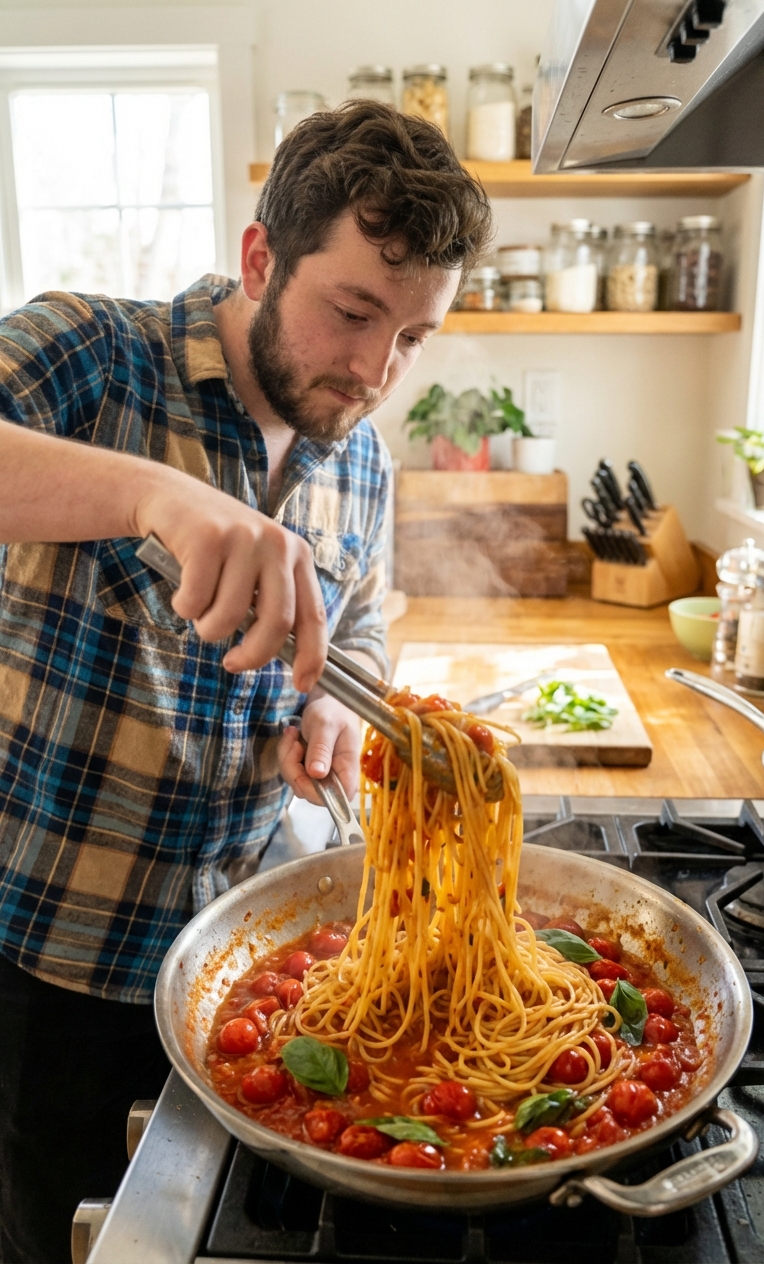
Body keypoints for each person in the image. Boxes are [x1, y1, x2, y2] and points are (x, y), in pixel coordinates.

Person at [0, 100, 492, 1264]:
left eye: (413, 337)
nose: (376, 370)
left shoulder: (356, 453)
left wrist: (336, 696)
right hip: (41, 963)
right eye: (354, 311)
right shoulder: (93, 351)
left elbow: (365, 623)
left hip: (234, 963)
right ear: (261, 257)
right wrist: (150, 495)